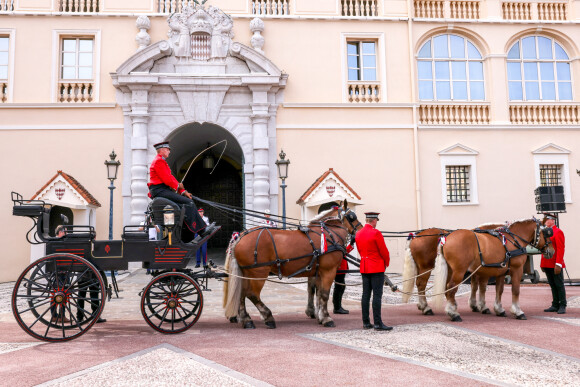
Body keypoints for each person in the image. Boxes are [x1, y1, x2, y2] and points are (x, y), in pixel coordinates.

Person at [148, 141, 215, 238]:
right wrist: (179, 186)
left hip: (162, 190)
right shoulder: (159, 161)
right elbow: (167, 179)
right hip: (160, 190)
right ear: (161, 150)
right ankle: (202, 230)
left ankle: (188, 234)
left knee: (184, 205)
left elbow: (171, 178)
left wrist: (183, 191)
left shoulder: (161, 161)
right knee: (189, 203)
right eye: (167, 149)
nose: (169, 151)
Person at [355, 212, 392, 331]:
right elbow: (384, 251)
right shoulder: (376, 233)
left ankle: (366, 322)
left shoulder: (358, 233)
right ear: (374, 220)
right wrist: (386, 263)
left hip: (365, 267)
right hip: (376, 267)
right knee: (377, 295)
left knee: (365, 295)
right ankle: (377, 323)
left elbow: (360, 251)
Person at [541, 214, 567, 314]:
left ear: (553, 221)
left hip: (555, 263)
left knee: (559, 285)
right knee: (552, 285)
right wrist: (542, 263)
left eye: (547, 219)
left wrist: (558, 264)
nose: (545, 221)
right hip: (547, 263)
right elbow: (543, 248)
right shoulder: (545, 232)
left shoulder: (558, 232)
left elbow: (560, 249)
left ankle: (562, 305)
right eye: (545, 220)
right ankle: (555, 304)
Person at [333, 237, 354, 314]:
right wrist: (351, 244)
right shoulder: (337, 242)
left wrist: (351, 244)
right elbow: (344, 252)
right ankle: (337, 307)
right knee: (339, 287)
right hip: (340, 268)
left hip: (342, 268)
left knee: (341, 287)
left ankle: (338, 305)